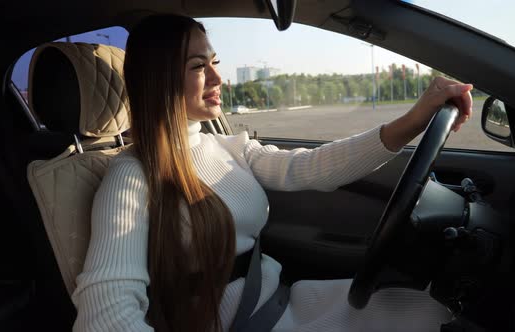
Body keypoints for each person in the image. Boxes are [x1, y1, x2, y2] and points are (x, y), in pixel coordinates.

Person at [71, 14, 473, 332]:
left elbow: (312, 167)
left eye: (215, 62)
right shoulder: (131, 177)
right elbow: (104, 315)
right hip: (252, 323)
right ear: (160, 80)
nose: (216, 78)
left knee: (440, 310)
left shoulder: (226, 146)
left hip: (285, 302)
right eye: (198, 66)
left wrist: (413, 121)